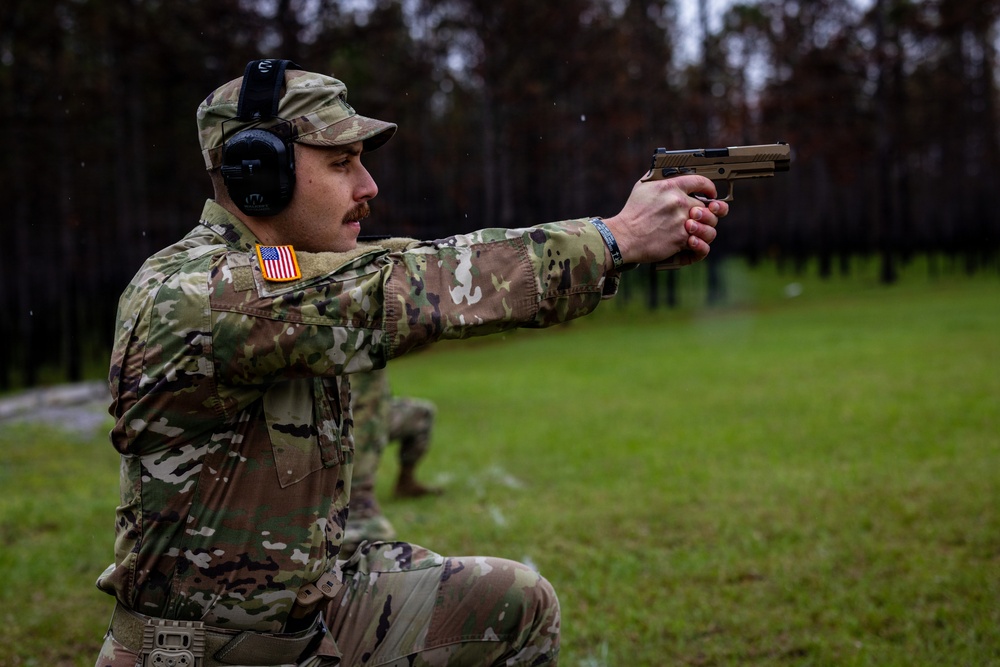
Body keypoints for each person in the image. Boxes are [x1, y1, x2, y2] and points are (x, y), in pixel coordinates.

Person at [94, 59, 727, 667]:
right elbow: (411, 286)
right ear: (257, 173)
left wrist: (617, 246)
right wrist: (614, 238)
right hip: (200, 653)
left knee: (513, 604)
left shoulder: (283, 273)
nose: (368, 188)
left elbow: (393, 265)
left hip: (306, 620)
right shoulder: (198, 293)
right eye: (341, 164)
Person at [343, 367, 440, 557]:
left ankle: (406, 483)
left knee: (422, 414)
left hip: (378, 413)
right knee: (368, 534)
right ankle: (356, 503)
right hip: (344, 421)